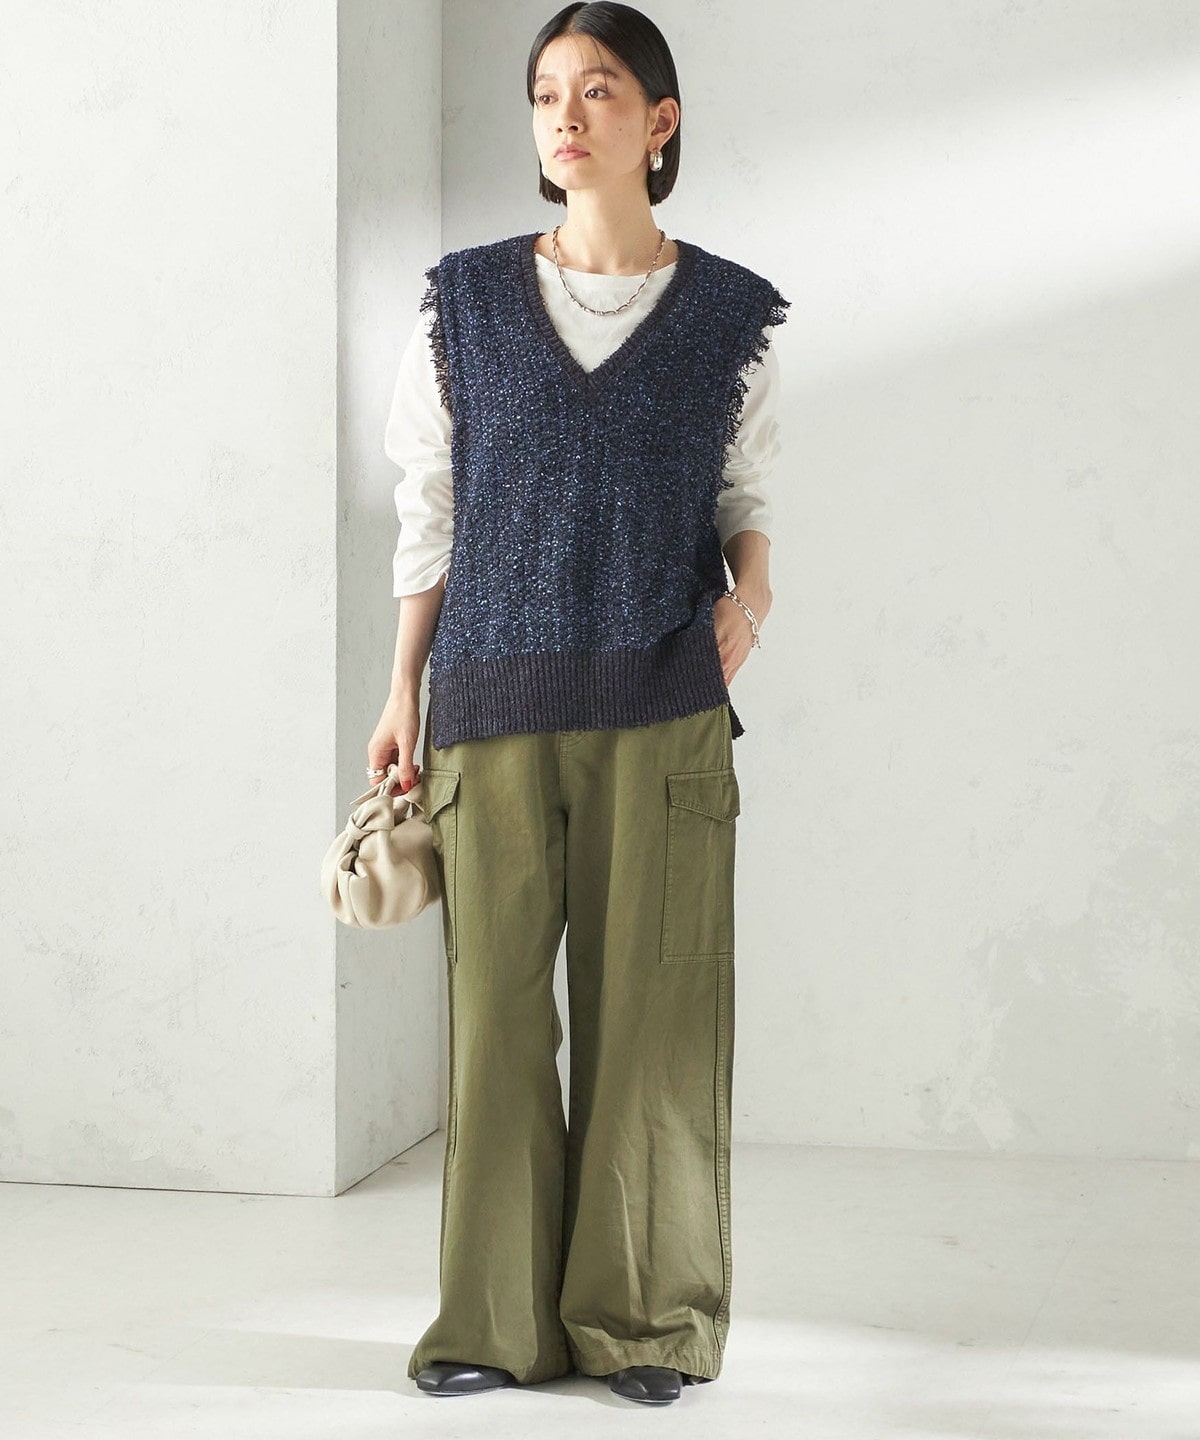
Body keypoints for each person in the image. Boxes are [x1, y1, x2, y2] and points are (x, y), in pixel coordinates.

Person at [367, 0, 789, 1408]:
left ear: (659, 123)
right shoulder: (464, 304)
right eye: (547, 91)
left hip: (665, 704)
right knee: (494, 1024)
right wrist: (400, 690)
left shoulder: (732, 313)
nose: (566, 115)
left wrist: (752, 598)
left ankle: (648, 1321)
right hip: (489, 704)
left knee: (654, 1015)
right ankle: (493, 1322)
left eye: (599, 90)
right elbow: (430, 509)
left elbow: (749, 496)